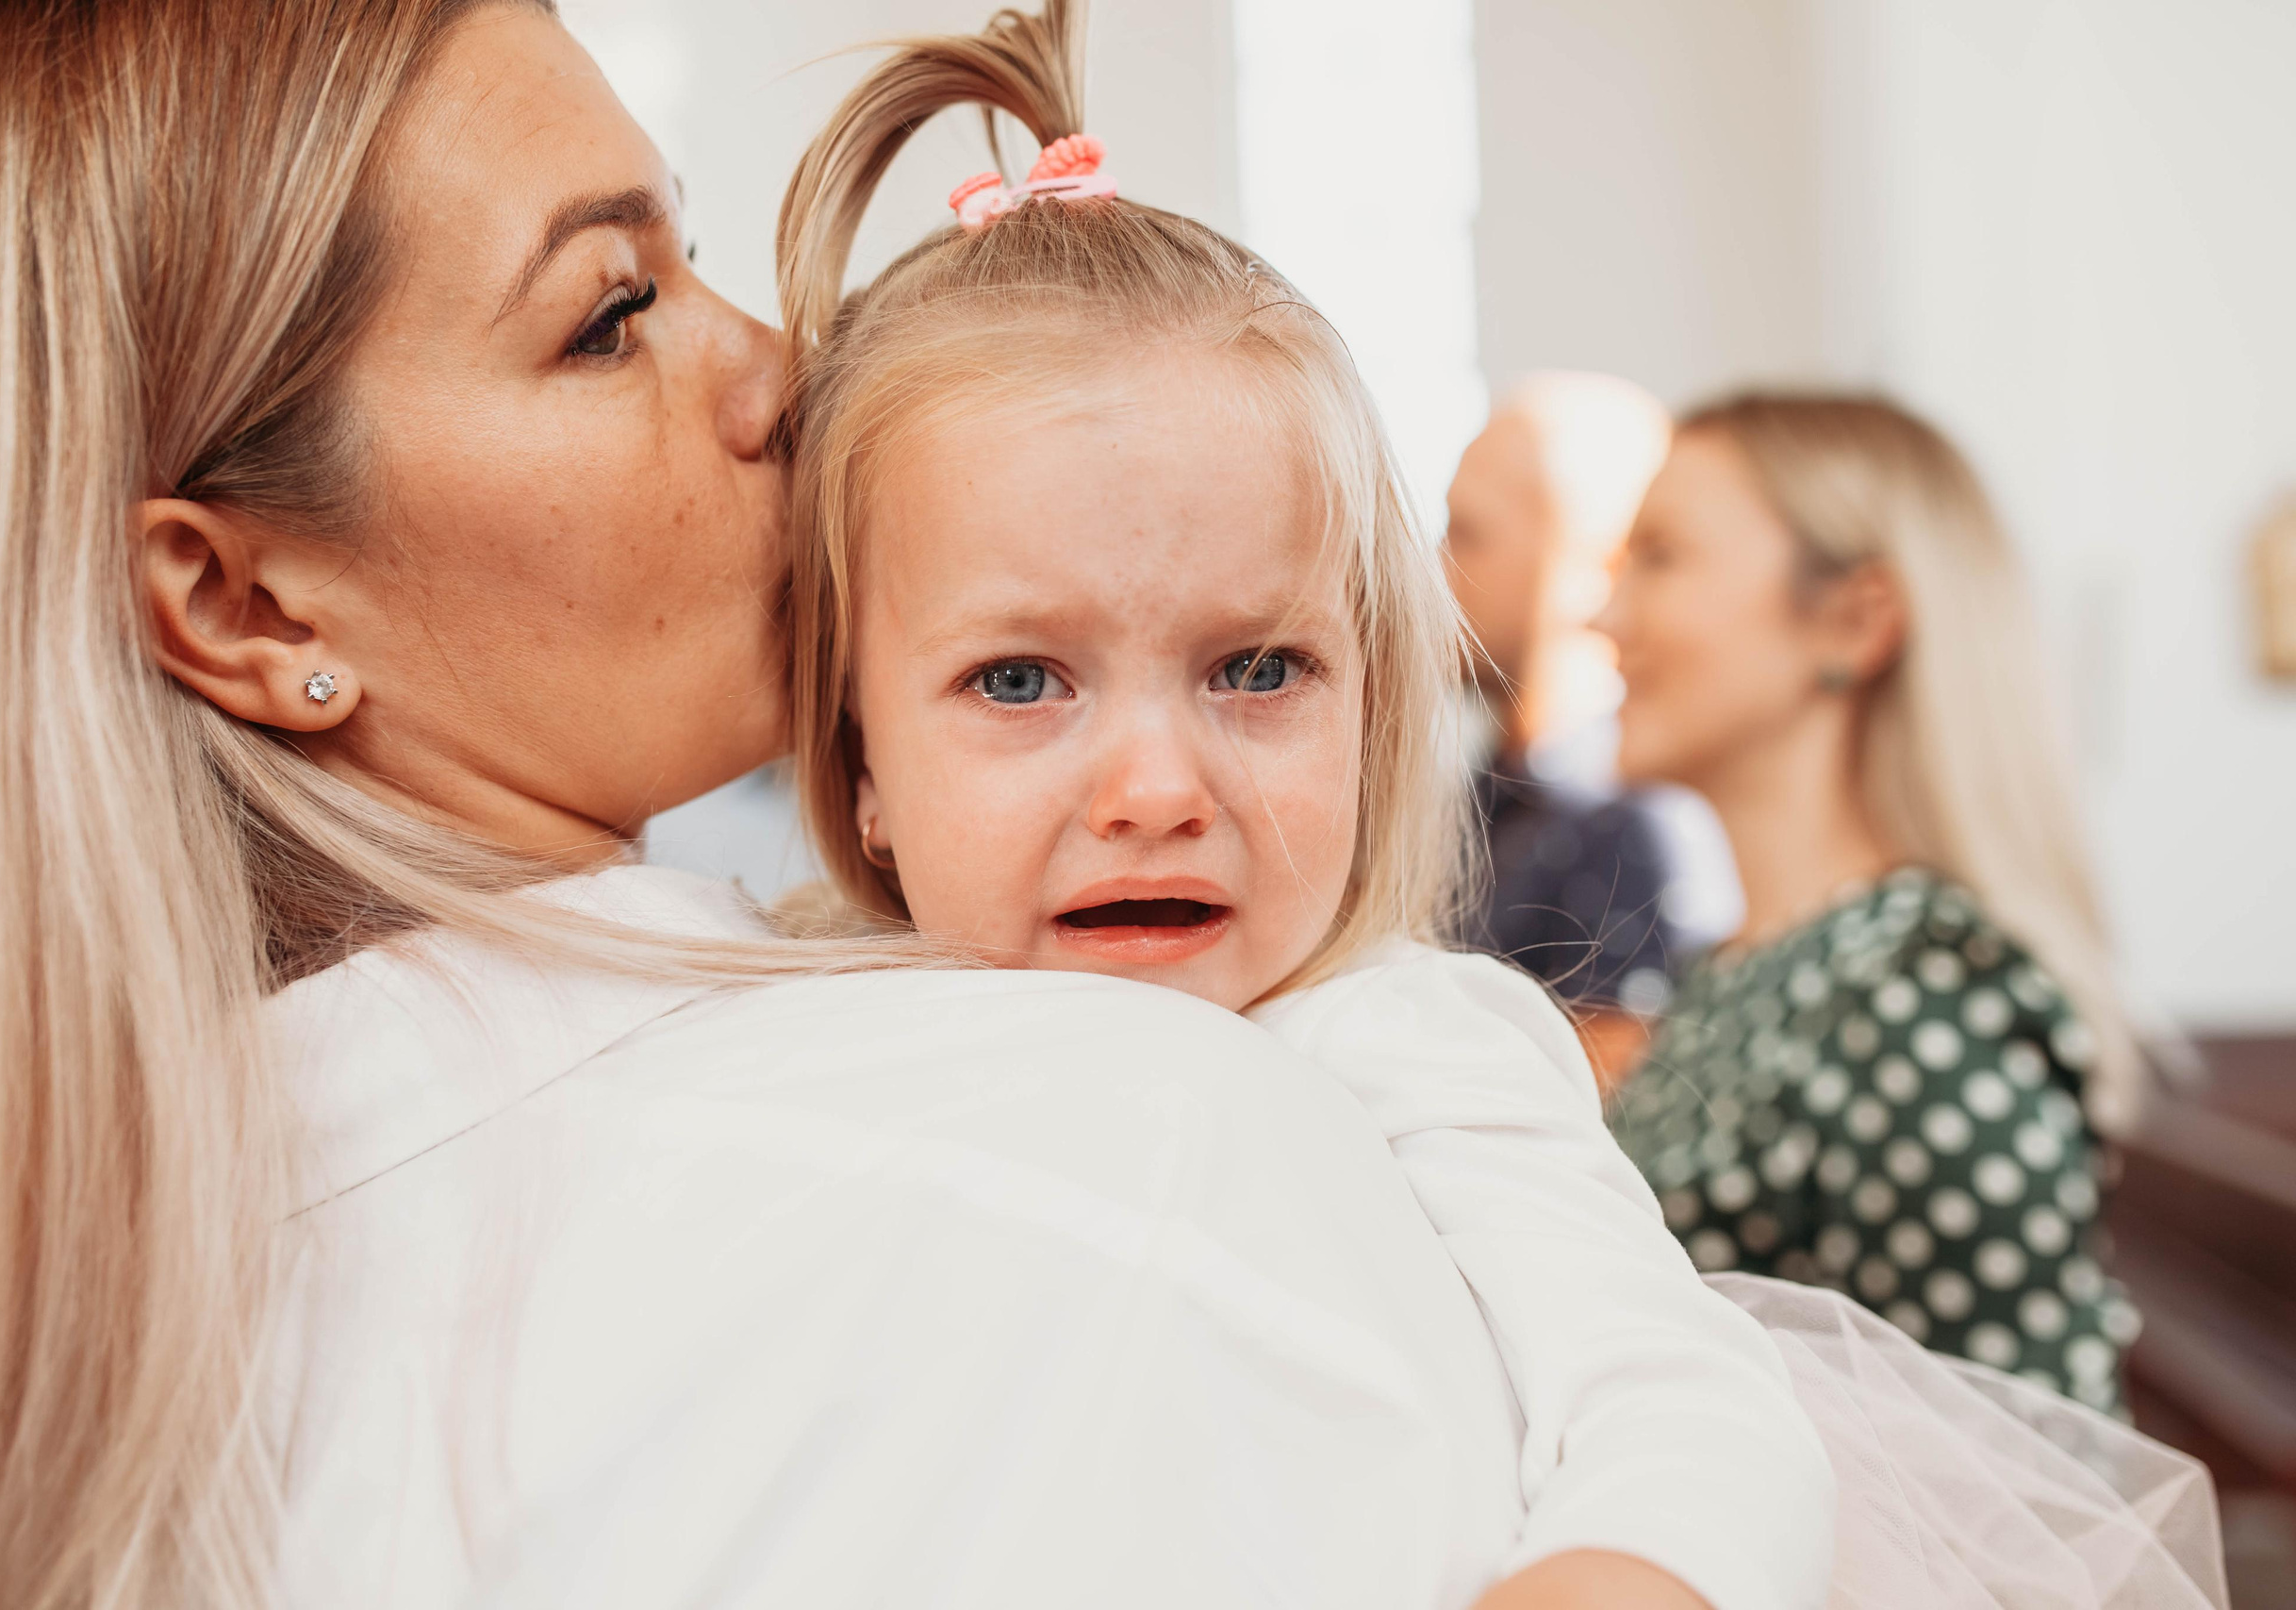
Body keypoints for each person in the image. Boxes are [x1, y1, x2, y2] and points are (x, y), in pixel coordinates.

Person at [0, 4, 1574, 1607]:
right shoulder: (1132, 1143)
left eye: (1256, 668)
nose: (778, 368)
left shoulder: (114, 1313)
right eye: (612, 316)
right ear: (249, 608)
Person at [768, 19, 2228, 1610]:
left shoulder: (1405, 1039)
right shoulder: (818, 1023)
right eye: (1019, 681)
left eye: (1256, 668)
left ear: (1377, 694)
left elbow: (1681, 1399)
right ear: (856, 768)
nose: (1156, 789)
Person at [1597, 392, 2147, 1414]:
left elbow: (2022, 1491)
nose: (1604, 615)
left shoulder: (1917, 998)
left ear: (1854, 619)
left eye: (1660, 558)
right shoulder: (1747, 968)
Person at [1442, 377, 1679, 1081]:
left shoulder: (1627, 826)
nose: (1432, 567)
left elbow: (1604, 1136)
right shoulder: (1486, 799)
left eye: (1468, 533)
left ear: (1594, 561)